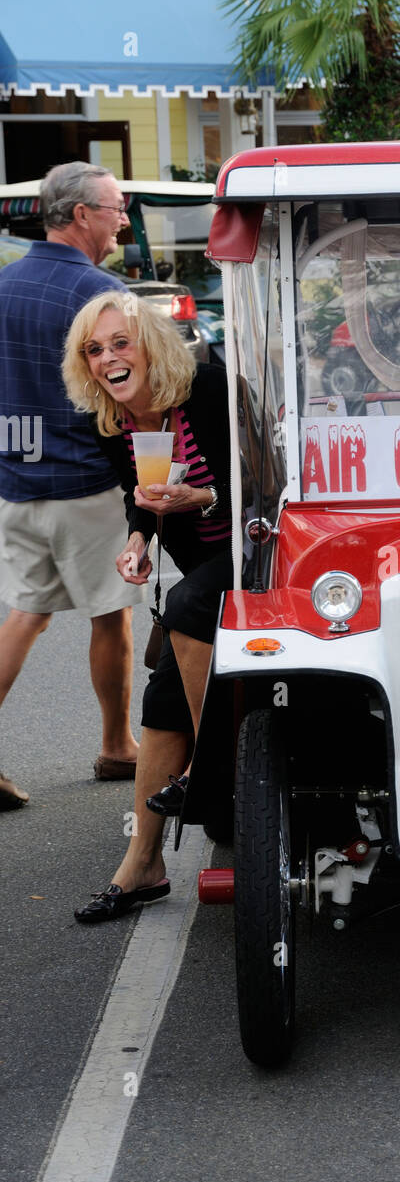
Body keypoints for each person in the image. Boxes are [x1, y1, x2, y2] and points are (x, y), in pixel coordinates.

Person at [62, 291, 232, 923]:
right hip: (201, 565)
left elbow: (264, 482)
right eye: (94, 349)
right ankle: (144, 866)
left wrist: (202, 499)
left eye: (120, 342)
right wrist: (137, 539)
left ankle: (217, 768)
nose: (108, 358)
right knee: (162, 698)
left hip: (261, 550)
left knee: (187, 604)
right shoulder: (109, 420)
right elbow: (141, 497)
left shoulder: (209, 389)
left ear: (151, 344)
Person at [0, 161, 143, 807]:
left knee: (27, 613)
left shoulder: (4, 285)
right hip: (87, 481)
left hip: (16, 478)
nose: (123, 217)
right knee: (108, 615)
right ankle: (117, 746)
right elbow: (129, 390)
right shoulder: (99, 296)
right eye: (115, 207)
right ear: (80, 215)